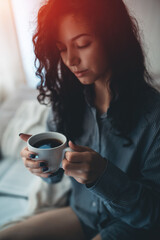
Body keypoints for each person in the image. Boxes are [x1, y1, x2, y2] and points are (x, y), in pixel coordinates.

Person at [0, 0, 160, 239]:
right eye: (62, 48)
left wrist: (103, 176)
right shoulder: (65, 102)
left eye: (82, 44)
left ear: (113, 38)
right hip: (82, 213)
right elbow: (55, 177)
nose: (71, 60)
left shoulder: (153, 117)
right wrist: (42, 164)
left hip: (131, 224)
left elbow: (152, 213)